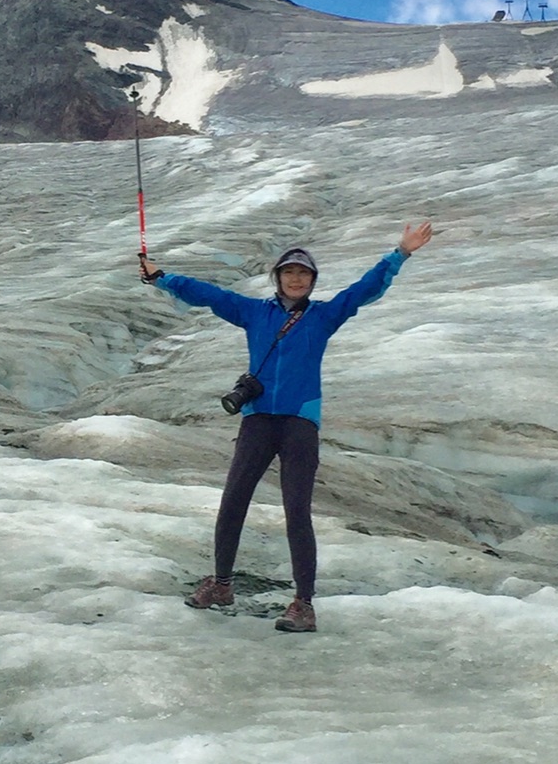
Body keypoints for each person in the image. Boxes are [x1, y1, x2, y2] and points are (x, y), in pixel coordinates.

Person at [139, 224, 434, 632]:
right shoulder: (254, 313)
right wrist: (161, 278)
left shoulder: (325, 316)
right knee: (233, 501)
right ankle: (222, 585)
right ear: (277, 278)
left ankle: (303, 604)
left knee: (297, 511)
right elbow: (209, 295)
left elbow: (366, 289)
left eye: (304, 274)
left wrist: (401, 252)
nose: (296, 280)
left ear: (312, 281)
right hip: (257, 419)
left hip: (299, 422)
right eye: (289, 273)